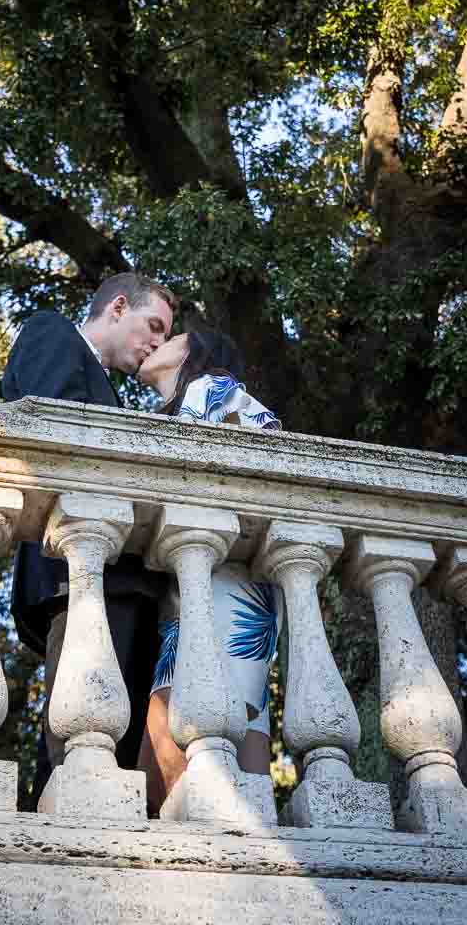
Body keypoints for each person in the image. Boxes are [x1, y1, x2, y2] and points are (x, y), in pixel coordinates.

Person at [0, 273, 175, 807]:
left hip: (121, 580)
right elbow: (51, 426)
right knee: (79, 748)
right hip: (80, 575)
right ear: (117, 306)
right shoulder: (53, 333)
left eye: (165, 338)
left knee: (105, 747)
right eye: (153, 327)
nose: (156, 345)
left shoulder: (107, 388)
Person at [134, 327, 283, 815]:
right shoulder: (197, 398)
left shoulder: (209, 388)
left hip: (222, 587)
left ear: (195, 353)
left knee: (175, 732)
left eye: (171, 335)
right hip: (224, 586)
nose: (159, 342)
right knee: (240, 730)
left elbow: (263, 453)